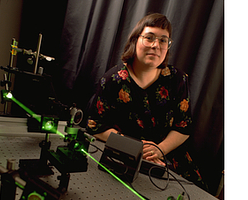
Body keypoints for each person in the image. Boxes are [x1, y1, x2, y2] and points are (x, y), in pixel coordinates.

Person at [86, 13, 207, 190]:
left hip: (171, 158)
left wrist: (160, 149)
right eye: (149, 38)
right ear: (135, 40)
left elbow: (184, 127)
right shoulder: (112, 80)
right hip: (125, 156)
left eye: (163, 40)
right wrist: (133, 146)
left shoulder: (178, 80)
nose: (156, 45)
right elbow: (95, 126)